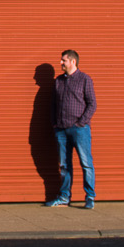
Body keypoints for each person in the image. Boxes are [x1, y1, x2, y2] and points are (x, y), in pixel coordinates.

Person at [46, 49, 96, 209]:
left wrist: (81, 122)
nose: (61, 63)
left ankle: (90, 197)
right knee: (64, 165)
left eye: (63, 60)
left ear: (73, 62)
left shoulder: (84, 79)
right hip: (61, 130)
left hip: (79, 129)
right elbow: (53, 105)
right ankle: (64, 197)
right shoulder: (58, 81)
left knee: (86, 163)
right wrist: (55, 124)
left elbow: (92, 104)